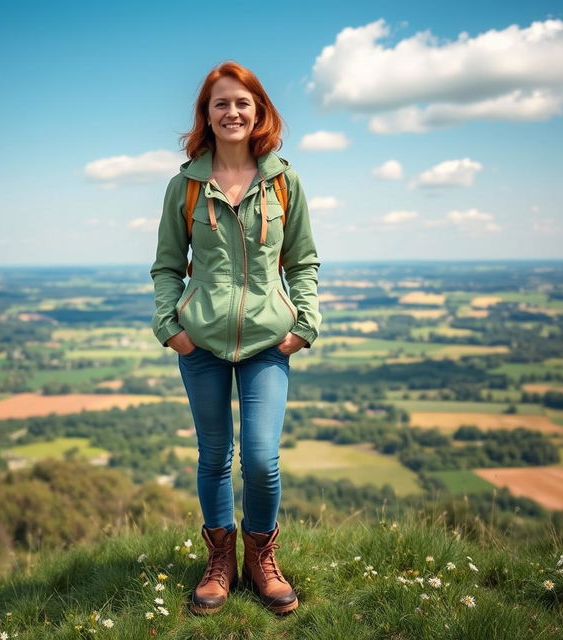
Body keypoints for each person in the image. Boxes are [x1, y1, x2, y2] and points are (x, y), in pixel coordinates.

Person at [150, 60, 321, 616]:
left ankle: (261, 560)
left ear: (259, 111)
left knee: (263, 458)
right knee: (213, 456)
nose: (232, 112)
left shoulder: (283, 181)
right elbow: (167, 267)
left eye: (242, 103)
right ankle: (219, 562)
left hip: (269, 343)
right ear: (207, 114)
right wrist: (171, 328)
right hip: (199, 344)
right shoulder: (186, 185)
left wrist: (304, 325)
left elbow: (304, 262)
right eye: (220, 103)